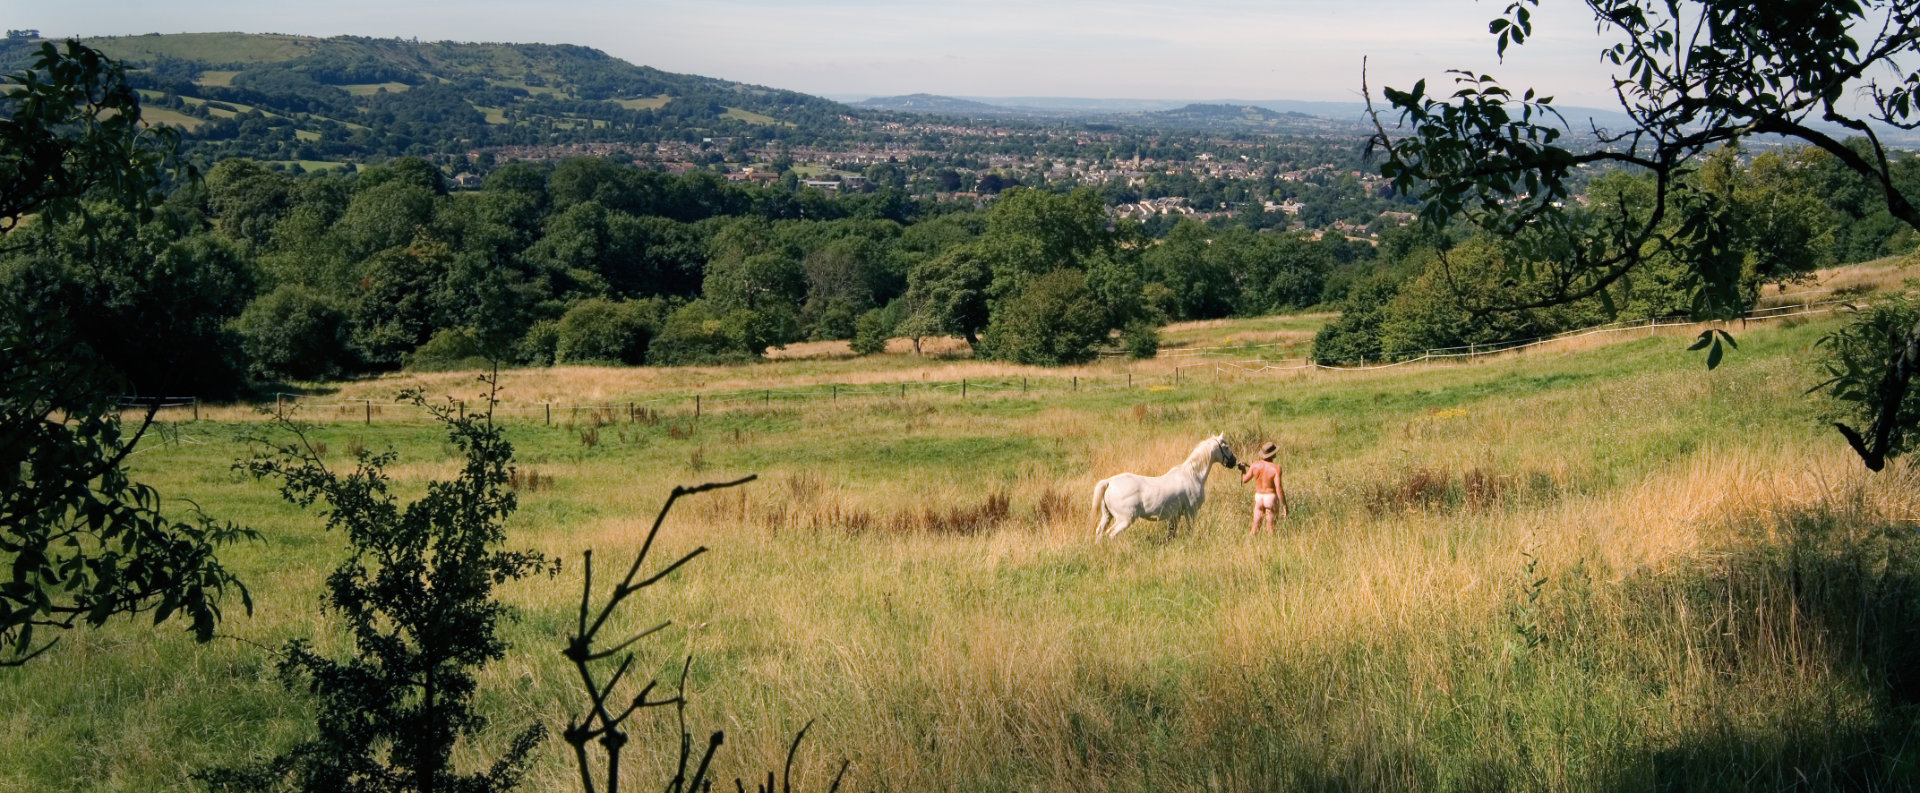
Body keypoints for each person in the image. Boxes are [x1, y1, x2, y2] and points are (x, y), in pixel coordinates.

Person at [1239, 441, 1289, 535]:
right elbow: (1279, 488)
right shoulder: (1276, 468)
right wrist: (1284, 505)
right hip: (1270, 497)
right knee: (1271, 530)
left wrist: (1243, 470)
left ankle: (1248, 542)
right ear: (1272, 454)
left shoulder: (1254, 465)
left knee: (1254, 529)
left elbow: (1244, 479)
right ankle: (1271, 544)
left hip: (1258, 497)